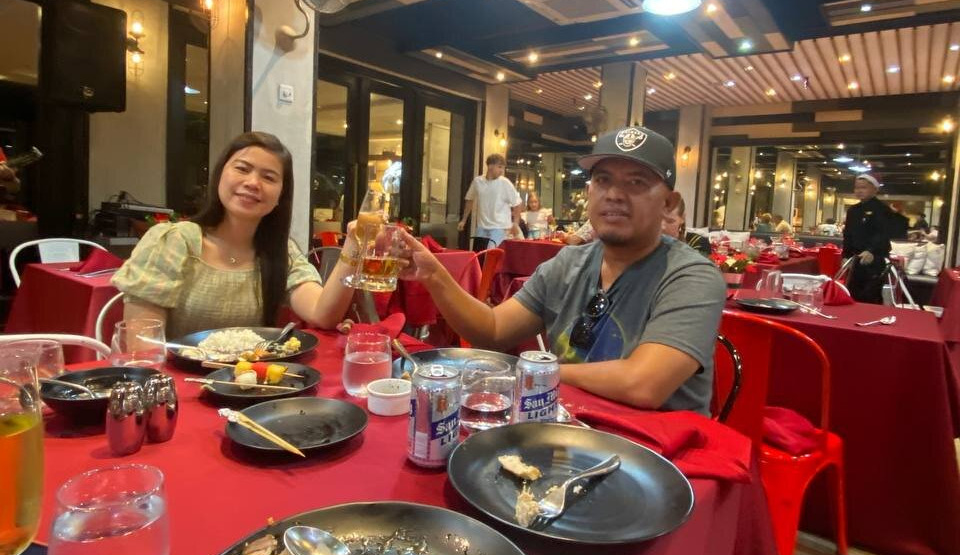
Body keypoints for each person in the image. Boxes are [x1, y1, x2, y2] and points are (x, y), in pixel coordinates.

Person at [401, 126, 725, 414]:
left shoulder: (691, 277)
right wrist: (434, 275)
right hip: (570, 435)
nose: (614, 194)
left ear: (669, 204)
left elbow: (644, 384)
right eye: (603, 180)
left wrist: (534, 372)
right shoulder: (568, 263)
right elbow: (493, 329)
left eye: (636, 182)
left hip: (658, 452)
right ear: (589, 192)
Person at [113, 131, 357, 337]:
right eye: (242, 169)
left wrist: (355, 244)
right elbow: (143, 351)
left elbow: (322, 314)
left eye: (268, 177)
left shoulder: (280, 251)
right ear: (220, 175)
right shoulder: (172, 241)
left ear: (280, 196)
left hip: (251, 376)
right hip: (176, 378)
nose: (253, 183)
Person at [842, 171, 895, 303]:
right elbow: (847, 234)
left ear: (875, 189)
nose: (859, 191)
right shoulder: (853, 210)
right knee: (852, 293)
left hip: (874, 258)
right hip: (855, 259)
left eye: (863, 187)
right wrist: (845, 255)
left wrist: (871, 250)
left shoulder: (883, 209)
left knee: (871, 295)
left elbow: (883, 234)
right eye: (856, 187)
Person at [458, 153, 522, 247]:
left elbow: (517, 203)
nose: (502, 171)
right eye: (499, 167)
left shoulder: (505, 183)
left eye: (503, 168)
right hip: (482, 226)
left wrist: (515, 223)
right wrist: (464, 220)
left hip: (500, 227)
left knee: (491, 253)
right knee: (479, 253)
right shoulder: (477, 181)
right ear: (490, 166)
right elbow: (469, 200)